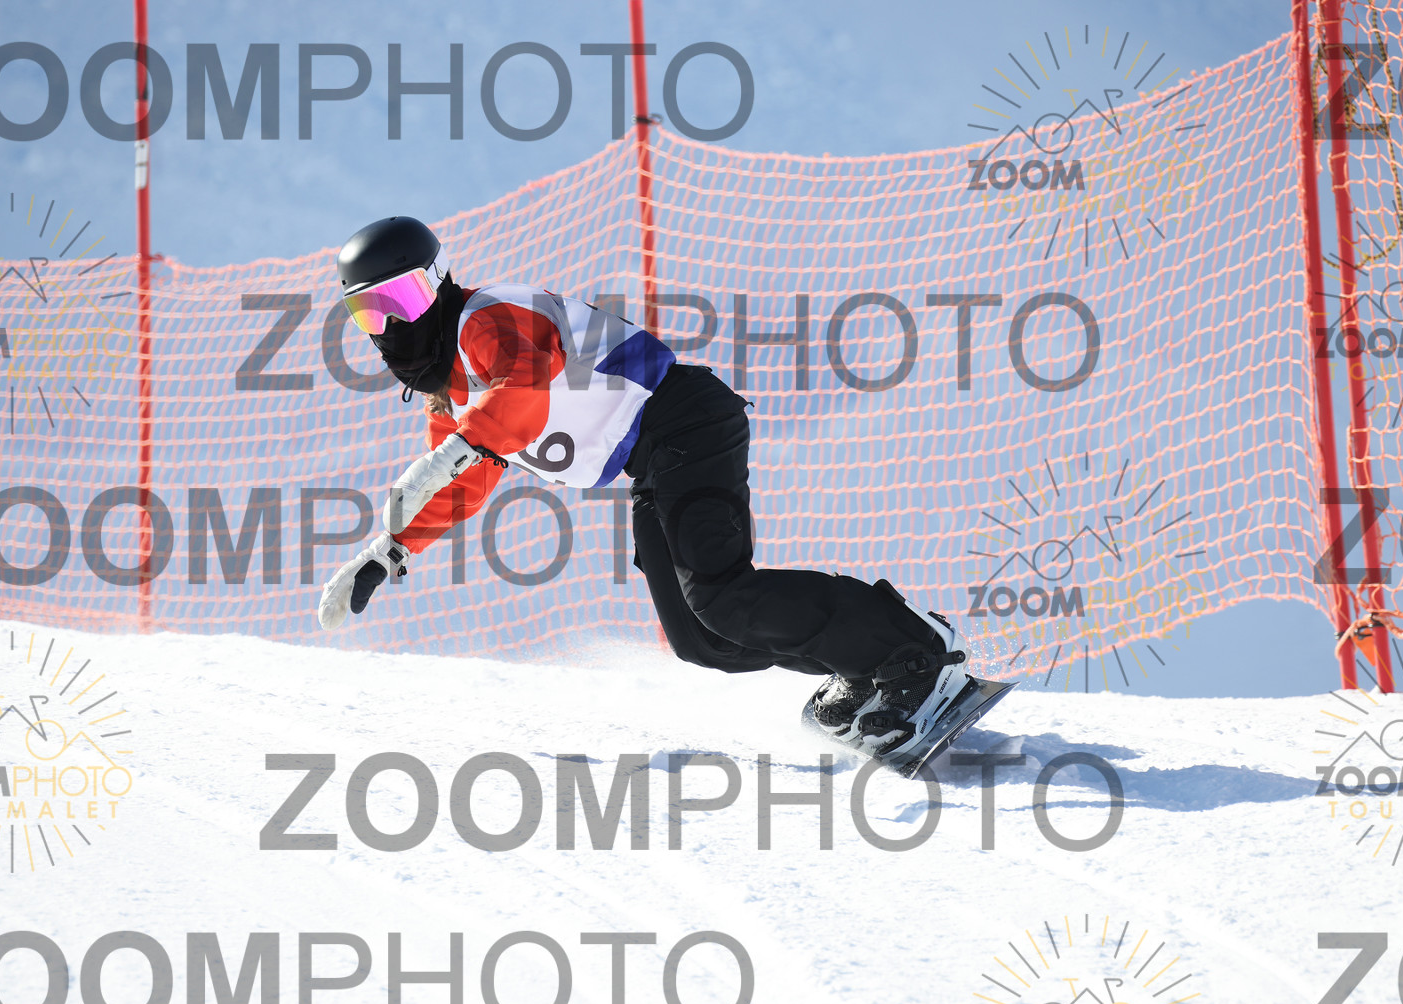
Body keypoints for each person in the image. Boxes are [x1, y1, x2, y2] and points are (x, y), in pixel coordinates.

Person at [316, 216, 978, 764]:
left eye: (401, 302)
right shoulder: (450, 391)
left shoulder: (487, 320)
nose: (389, 328)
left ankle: (909, 652)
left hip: (682, 417)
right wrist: (390, 549)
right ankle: (865, 662)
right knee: (701, 639)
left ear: (435, 283)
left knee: (722, 597)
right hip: (650, 459)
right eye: (369, 313)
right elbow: (466, 477)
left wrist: (461, 446)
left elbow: (521, 389)